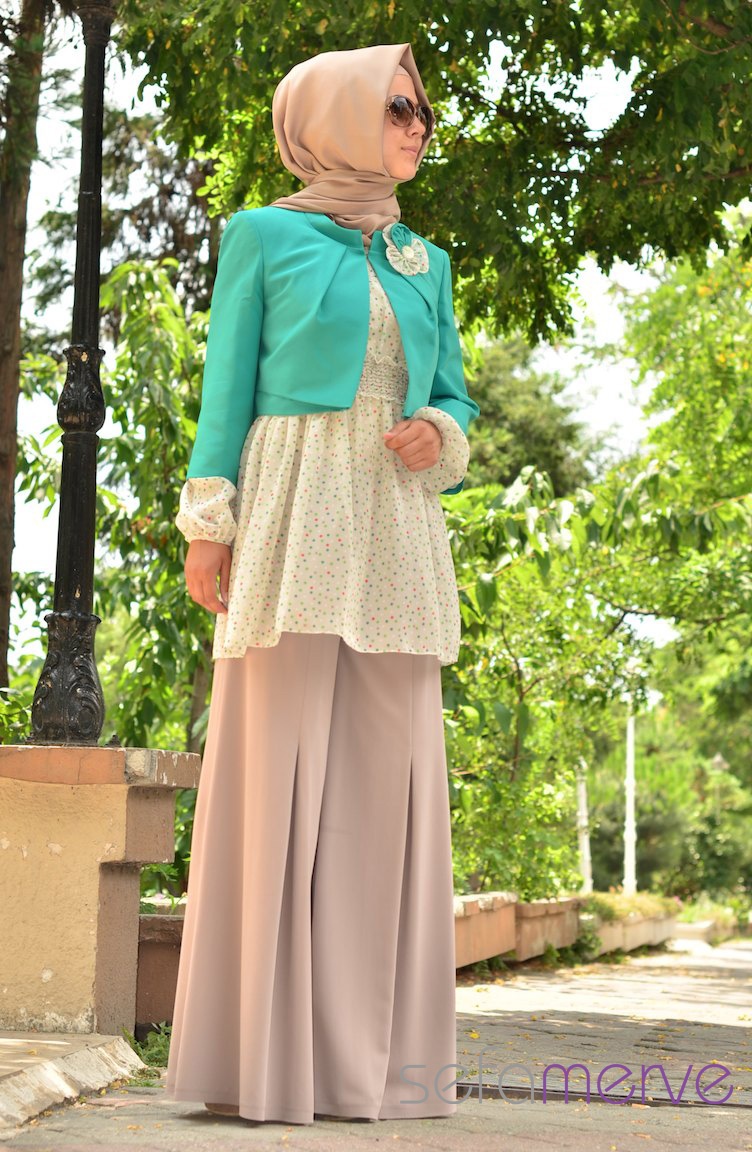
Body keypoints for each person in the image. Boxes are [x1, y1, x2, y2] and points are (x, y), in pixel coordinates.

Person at [163, 42, 480, 1126]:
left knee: (388, 788)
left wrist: (439, 427)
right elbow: (225, 386)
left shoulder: (425, 259)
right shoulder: (263, 235)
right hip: (293, 510)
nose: (415, 128)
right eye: (396, 108)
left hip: (394, 521)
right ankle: (257, 1065)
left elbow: (454, 392)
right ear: (335, 116)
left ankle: (368, 1071)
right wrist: (209, 526)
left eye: (423, 114)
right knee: (274, 777)